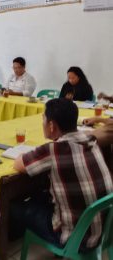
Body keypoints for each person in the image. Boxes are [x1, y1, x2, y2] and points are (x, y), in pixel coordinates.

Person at [11, 98, 113, 250]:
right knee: (42, 194)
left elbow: (18, 164)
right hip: (104, 232)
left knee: (14, 207)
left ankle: (9, 243)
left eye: (43, 119)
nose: (43, 123)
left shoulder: (53, 150)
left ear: (51, 125)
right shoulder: (91, 140)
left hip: (75, 239)